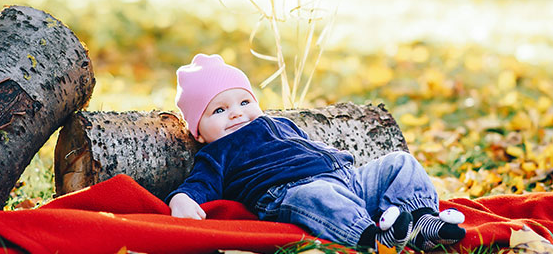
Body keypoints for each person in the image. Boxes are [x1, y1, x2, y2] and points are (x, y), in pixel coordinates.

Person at [167, 54, 466, 252]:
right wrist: (182, 199)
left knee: (400, 162)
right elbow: (200, 184)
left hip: (346, 178)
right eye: (219, 110)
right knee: (319, 196)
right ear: (199, 132)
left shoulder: (279, 123)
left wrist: (340, 163)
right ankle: (373, 239)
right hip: (292, 192)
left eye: (244, 102)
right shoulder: (217, 151)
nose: (236, 114)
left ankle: (423, 222)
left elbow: (308, 148)